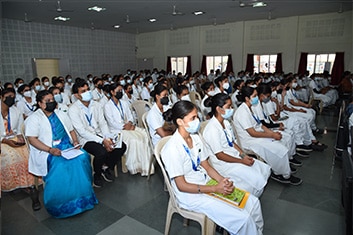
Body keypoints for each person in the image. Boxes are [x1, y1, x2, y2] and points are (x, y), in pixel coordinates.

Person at [161, 100, 263, 235]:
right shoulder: (172, 149)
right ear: (180, 122)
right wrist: (215, 188)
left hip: (205, 182)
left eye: (197, 116)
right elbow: (181, 186)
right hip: (190, 194)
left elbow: (207, 167)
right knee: (243, 219)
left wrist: (222, 180)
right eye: (193, 118)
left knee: (253, 202)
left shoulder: (195, 138)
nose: (197, 120)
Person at [25, 90, 98, 218]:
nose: (51, 103)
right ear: (40, 104)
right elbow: (32, 139)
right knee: (61, 165)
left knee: (82, 157)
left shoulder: (61, 113)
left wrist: (75, 142)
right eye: (47, 101)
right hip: (47, 150)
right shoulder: (34, 118)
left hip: (67, 146)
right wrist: (49, 150)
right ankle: (60, 205)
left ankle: (84, 199)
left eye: (52, 100)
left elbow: (71, 130)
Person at [202, 93, 271, 197]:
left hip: (235, 156)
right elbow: (220, 155)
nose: (231, 108)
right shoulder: (212, 129)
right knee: (257, 178)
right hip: (224, 164)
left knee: (263, 168)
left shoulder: (226, 122)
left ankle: (255, 195)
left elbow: (232, 142)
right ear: (219, 109)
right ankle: (252, 198)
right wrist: (241, 161)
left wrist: (244, 155)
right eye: (228, 106)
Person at [233, 86, 302, 185]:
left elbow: (260, 125)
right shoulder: (242, 112)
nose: (257, 97)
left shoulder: (250, 108)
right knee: (279, 148)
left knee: (283, 140)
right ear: (247, 98)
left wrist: (272, 133)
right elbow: (252, 133)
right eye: (255, 96)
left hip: (257, 136)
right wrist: (272, 136)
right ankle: (283, 174)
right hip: (249, 141)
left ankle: (282, 167)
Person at [68, 80, 126, 187]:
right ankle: (97, 174)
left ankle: (106, 167)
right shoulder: (73, 109)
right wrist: (103, 141)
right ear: (76, 95)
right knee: (101, 152)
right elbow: (82, 131)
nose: (87, 92)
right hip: (86, 139)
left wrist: (107, 137)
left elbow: (103, 123)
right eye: (83, 91)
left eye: (87, 90)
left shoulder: (96, 105)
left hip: (100, 134)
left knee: (121, 146)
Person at [104, 83, 153, 176]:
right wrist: (124, 126)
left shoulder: (124, 103)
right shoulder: (107, 106)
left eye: (121, 90)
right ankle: (136, 167)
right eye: (118, 91)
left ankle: (146, 166)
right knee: (135, 139)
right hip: (117, 130)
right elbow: (111, 122)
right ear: (112, 92)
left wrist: (130, 123)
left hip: (129, 126)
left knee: (145, 134)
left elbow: (130, 115)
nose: (120, 92)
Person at [1, 88, 37, 196]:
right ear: (2, 98)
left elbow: (20, 127)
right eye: (8, 97)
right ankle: (13, 184)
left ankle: (28, 183)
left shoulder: (15, 110)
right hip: (2, 140)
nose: (11, 99)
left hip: (14, 137)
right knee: (11, 156)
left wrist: (21, 137)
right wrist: (6, 141)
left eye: (13, 96)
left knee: (27, 153)